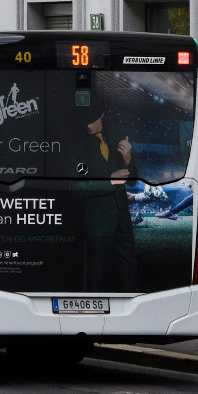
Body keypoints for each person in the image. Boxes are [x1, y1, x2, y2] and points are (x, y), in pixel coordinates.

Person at [71, 105, 140, 292]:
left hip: (123, 224)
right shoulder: (76, 147)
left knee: (129, 281)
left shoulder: (117, 138)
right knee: (96, 282)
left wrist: (128, 159)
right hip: (97, 228)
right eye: (84, 121)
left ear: (101, 115)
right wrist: (110, 181)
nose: (87, 126)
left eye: (92, 120)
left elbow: (133, 181)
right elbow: (77, 189)